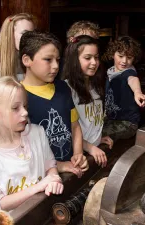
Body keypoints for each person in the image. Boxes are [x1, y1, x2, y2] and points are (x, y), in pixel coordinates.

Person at [0, 77, 64, 216]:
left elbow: (50, 166)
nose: (25, 112)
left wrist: (54, 180)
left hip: (40, 214)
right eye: (15, 108)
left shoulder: (38, 133)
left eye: (25, 106)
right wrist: (38, 187)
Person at [19, 30, 88, 176]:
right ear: (27, 60)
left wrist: (78, 153)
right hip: (41, 175)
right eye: (48, 60)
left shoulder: (63, 87)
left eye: (58, 59)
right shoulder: (17, 96)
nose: (56, 66)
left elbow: (74, 126)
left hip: (71, 167)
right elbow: (19, 147)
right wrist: (58, 165)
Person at [62, 35, 113, 168]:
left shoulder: (96, 85)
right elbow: (67, 129)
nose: (94, 62)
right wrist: (89, 146)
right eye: (87, 58)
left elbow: (89, 120)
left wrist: (96, 139)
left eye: (96, 57)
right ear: (74, 60)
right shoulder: (66, 89)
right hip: (78, 155)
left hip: (92, 150)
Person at [0, 13, 36, 127]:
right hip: (4, 130)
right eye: (24, 34)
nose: (30, 39)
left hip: (32, 129)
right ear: (10, 35)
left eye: (32, 34)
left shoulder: (36, 60)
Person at [103, 36, 145, 141]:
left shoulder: (129, 72)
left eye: (129, 57)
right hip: (110, 119)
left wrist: (137, 92)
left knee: (96, 136)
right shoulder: (111, 72)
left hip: (127, 124)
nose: (124, 61)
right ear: (112, 54)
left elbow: (132, 80)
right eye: (121, 56)